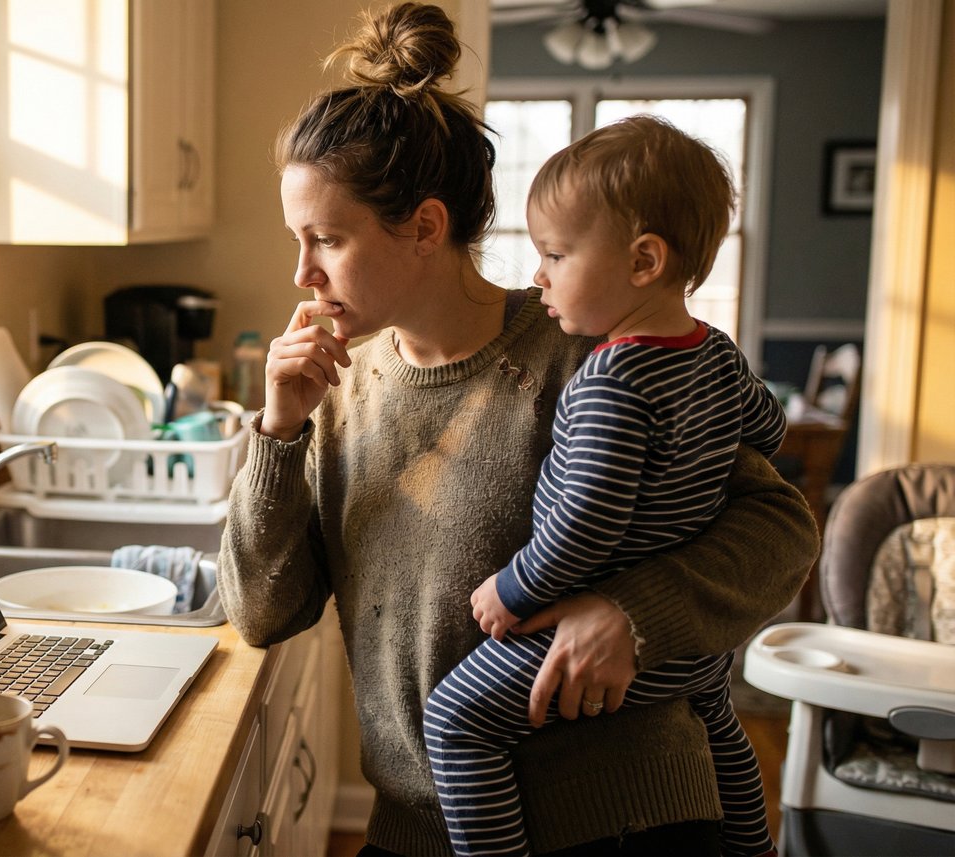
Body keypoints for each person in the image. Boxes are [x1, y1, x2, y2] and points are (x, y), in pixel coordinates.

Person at [214, 4, 817, 856]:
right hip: (432, 828)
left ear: (425, 227)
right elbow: (263, 613)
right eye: (296, 240)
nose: (302, 273)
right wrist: (277, 432)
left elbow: (783, 529)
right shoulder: (335, 392)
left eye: (327, 240)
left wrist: (631, 613)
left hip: (624, 819)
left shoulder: (592, 349)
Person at [421, 115, 784, 857]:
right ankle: (755, 847)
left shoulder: (610, 381)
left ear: (644, 260)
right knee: (717, 717)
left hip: (590, 634)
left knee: (455, 718)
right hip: (689, 649)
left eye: (555, 254)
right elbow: (768, 432)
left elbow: (586, 521)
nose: (538, 275)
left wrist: (515, 590)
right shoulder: (716, 355)